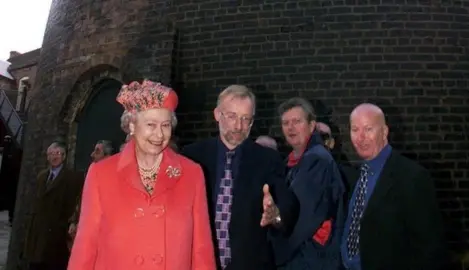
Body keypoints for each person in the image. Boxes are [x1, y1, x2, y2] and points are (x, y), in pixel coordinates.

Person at [68, 80, 216, 270]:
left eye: (165, 125)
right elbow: (85, 246)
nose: (159, 135)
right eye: (151, 125)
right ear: (131, 125)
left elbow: (201, 250)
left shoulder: (191, 174)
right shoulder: (101, 174)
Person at [182, 84, 299, 270]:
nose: (239, 126)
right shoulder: (192, 157)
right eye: (232, 117)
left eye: (246, 119)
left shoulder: (267, 160)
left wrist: (276, 215)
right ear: (217, 115)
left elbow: (287, 206)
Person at [341, 103, 446, 270]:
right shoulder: (356, 176)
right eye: (355, 129)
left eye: (368, 129)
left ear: (384, 132)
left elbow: (430, 248)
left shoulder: (412, 176)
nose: (360, 137)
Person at [273, 98, 345, 270]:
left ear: (312, 125)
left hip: (309, 259)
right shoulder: (291, 162)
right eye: (286, 123)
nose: (291, 128)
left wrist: (275, 253)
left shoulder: (317, 161)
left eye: (297, 121)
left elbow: (302, 218)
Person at [23, 141, 84, 270]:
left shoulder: (72, 178)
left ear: (64, 156)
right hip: (39, 232)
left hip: (57, 233)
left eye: (57, 153)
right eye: (51, 154)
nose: (54, 157)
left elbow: (73, 203)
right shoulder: (42, 176)